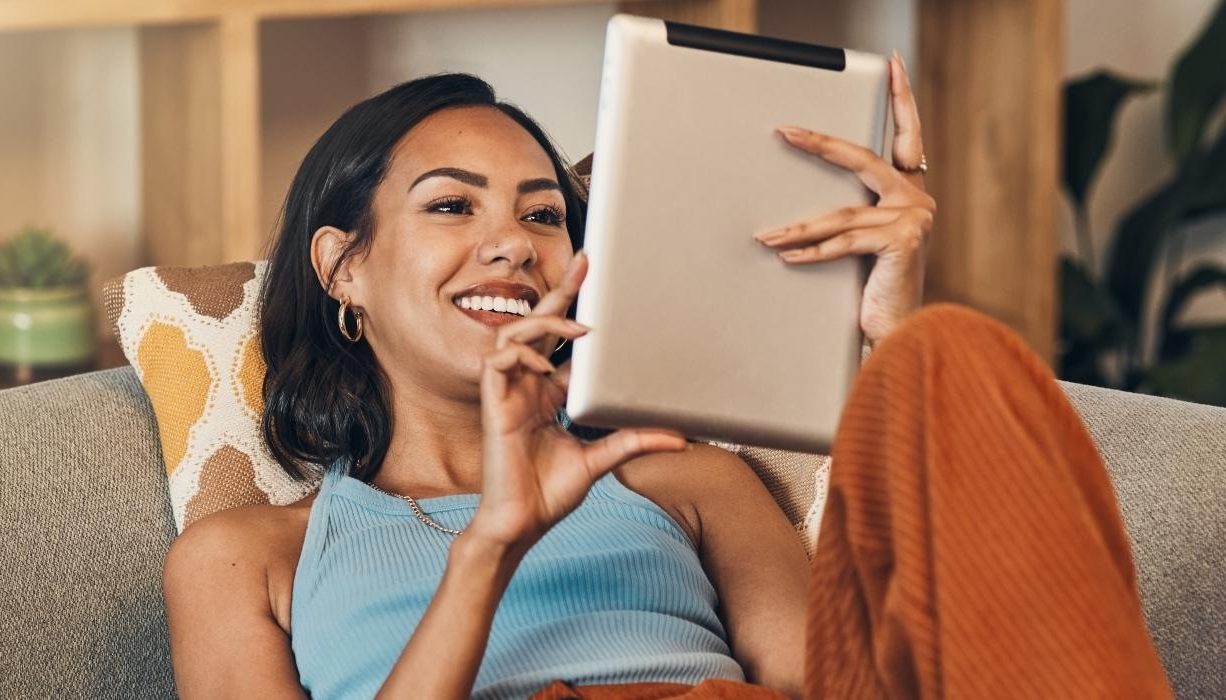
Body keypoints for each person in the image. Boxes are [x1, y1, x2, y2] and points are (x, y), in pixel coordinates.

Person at [162, 63, 1172, 699]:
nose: (511, 242)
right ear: (344, 268)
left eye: (545, 216)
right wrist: (495, 540)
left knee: (956, 351)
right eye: (453, 208)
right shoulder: (244, 558)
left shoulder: (680, 479)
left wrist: (885, 338)